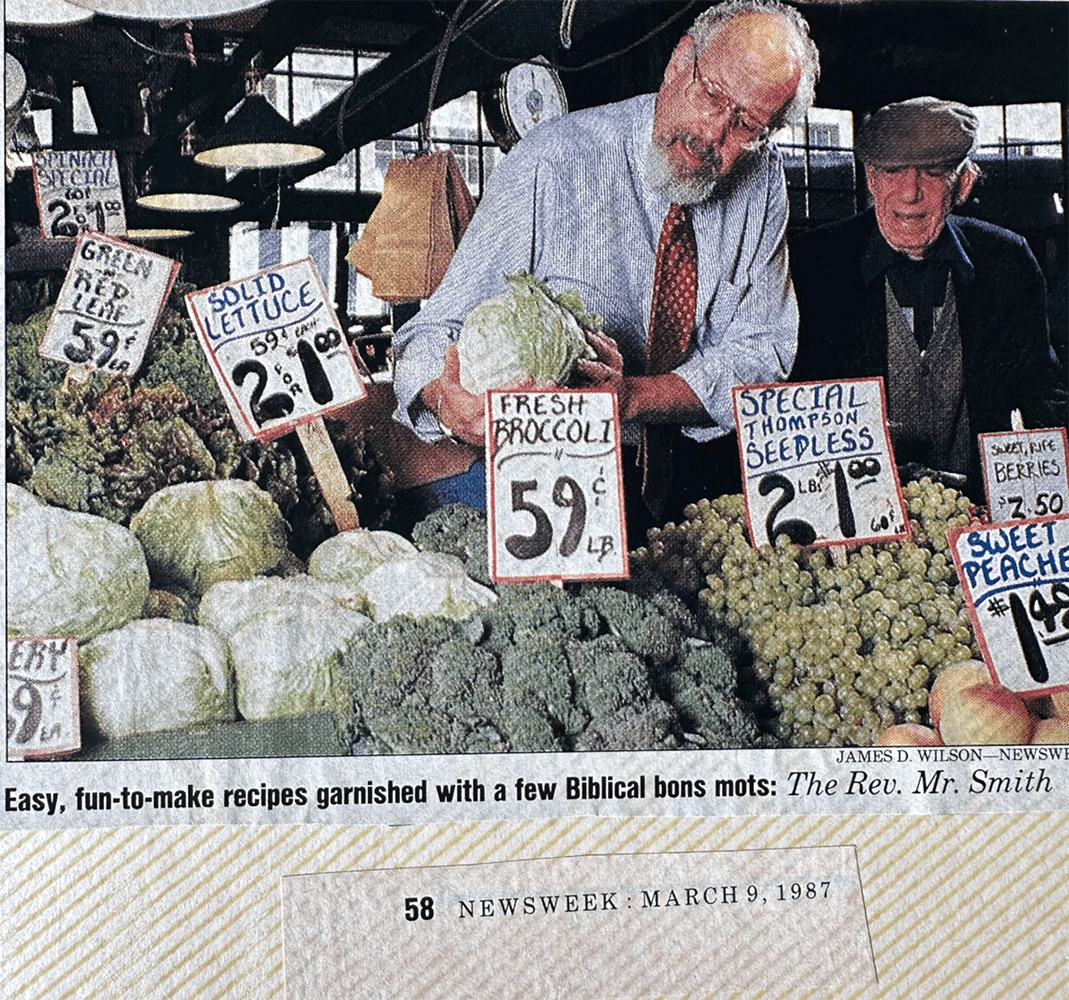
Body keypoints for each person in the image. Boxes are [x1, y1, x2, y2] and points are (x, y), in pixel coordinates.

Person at [391, 0, 820, 534]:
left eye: (746, 124)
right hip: (549, 486)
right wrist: (443, 399)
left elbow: (763, 349)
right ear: (679, 60)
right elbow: (430, 333)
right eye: (711, 95)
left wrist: (636, 397)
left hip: (697, 482)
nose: (713, 133)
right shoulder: (551, 160)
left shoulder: (760, 183)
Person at [790, 96, 1066, 493]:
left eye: (933, 173)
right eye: (892, 171)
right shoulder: (815, 263)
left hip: (975, 510)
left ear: (964, 183)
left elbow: (1043, 389)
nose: (910, 193)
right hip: (860, 513)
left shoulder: (1007, 259)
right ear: (870, 177)